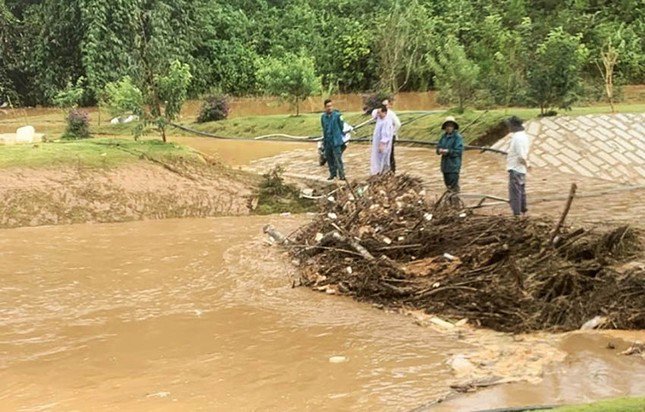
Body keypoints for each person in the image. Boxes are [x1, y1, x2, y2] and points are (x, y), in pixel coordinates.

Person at [506, 116, 530, 216]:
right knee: (521, 190)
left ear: (514, 125)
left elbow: (521, 155)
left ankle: (516, 215)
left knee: (515, 193)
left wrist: (527, 164)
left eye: (509, 125)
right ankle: (523, 211)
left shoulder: (517, 137)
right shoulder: (523, 136)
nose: (508, 127)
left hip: (516, 168)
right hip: (521, 169)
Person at [372, 98, 401, 173]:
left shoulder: (391, 114)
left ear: (389, 105)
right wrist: (378, 112)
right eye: (383, 105)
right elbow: (374, 115)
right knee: (379, 154)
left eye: (386, 105)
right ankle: (380, 170)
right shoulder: (379, 113)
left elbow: (398, 124)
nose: (384, 106)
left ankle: (391, 171)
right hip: (380, 137)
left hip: (389, 137)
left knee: (389, 153)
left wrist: (393, 132)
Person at [436, 116, 464, 192]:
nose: (449, 128)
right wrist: (439, 150)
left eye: (451, 126)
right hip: (445, 167)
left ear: (454, 127)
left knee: (453, 188)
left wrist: (447, 151)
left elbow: (458, 151)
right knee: (448, 187)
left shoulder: (458, 138)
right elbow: (438, 148)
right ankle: (451, 202)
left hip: (453, 167)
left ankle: (455, 202)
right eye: (447, 126)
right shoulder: (443, 137)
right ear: (445, 127)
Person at [320, 99, 346, 180]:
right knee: (329, 158)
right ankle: (332, 174)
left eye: (331, 106)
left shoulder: (338, 116)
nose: (329, 108)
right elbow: (324, 128)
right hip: (327, 141)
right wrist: (324, 141)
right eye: (328, 106)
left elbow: (341, 127)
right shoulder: (323, 117)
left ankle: (342, 175)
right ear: (325, 107)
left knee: (337, 158)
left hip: (336, 141)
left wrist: (339, 136)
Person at [370, 105, 394, 175]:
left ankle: (383, 172)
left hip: (383, 144)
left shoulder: (387, 121)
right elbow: (373, 113)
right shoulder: (379, 118)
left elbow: (386, 134)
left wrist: (382, 144)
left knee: (383, 158)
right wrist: (377, 111)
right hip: (377, 141)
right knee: (376, 158)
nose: (378, 114)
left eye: (380, 113)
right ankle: (376, 172)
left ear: (384, 113)